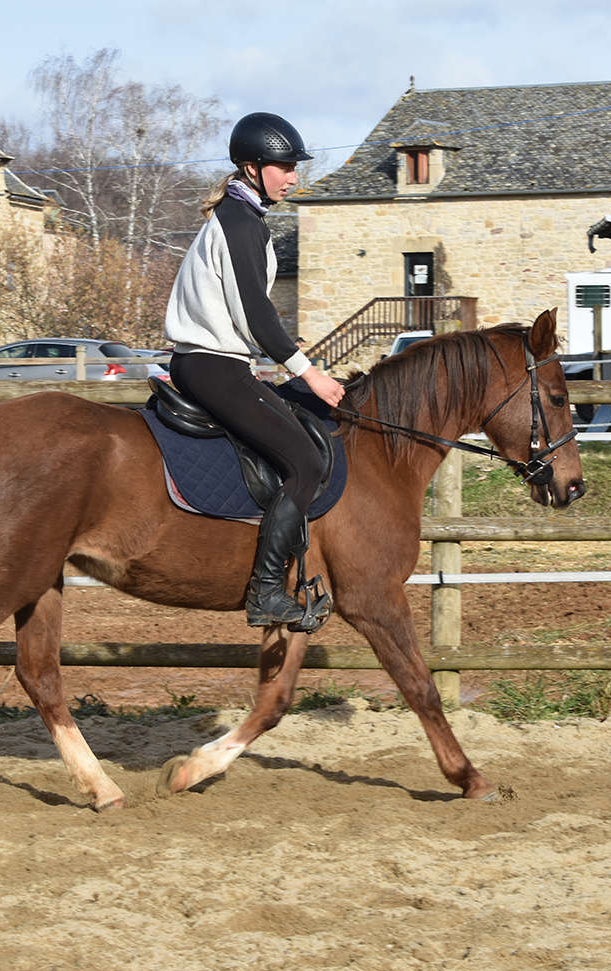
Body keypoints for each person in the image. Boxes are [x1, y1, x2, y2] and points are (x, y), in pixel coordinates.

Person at [164, 112, 345, 633]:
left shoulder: (242, 216)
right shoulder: (240, 222)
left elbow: (246, 315)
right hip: (212, 366)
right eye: (285, 166)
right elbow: (256, 314)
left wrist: (280, 351)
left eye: (294, 166)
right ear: (252, 166)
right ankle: (266, 592)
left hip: (220, 361)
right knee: (307, 462)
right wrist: (307, 372)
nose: (293, 176)